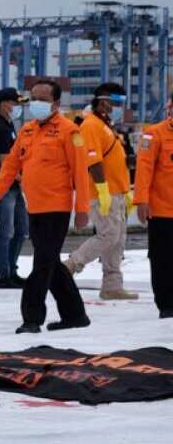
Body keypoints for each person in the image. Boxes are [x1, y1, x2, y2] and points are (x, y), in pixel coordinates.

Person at [0, 79, 90, 334]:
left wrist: (82, 209)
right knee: (50, 261)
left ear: (55, 103)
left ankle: (32, 318)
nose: (37, 103)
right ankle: (75, 315)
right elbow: (10, 166)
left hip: (57, 208)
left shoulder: (69, 132)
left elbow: (80, 173)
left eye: (43, 99)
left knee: (42, 264)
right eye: (34, 98)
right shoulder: (27, 131)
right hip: (35, 208)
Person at [64, 82, 139, 300]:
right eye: (118, 102)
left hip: (117, 191)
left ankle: (112, 286)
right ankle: (71, 264)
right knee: (108, 235)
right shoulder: (91, 125)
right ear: (104, 101)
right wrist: (103, 189)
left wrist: (126, 191)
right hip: (102, 192)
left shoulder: (106, 125)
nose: (119, 107)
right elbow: (93, 160)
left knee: (118, 240)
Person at [0, 88, 30, 289]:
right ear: (4, 104)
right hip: (3, 187)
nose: (18, 108)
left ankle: (12, 270)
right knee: (6, 231)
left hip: (14, 186)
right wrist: (29, 179)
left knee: (21, 229)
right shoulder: (1, 129)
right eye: (15, 103)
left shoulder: (9, 125)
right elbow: (6, 164)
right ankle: (3, 276)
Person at [134, 93, 173, 319]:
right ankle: (166, 304)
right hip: (161, 210)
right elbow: (144, 168)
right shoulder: (154, 134)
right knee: (162, 259)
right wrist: (141, 201)